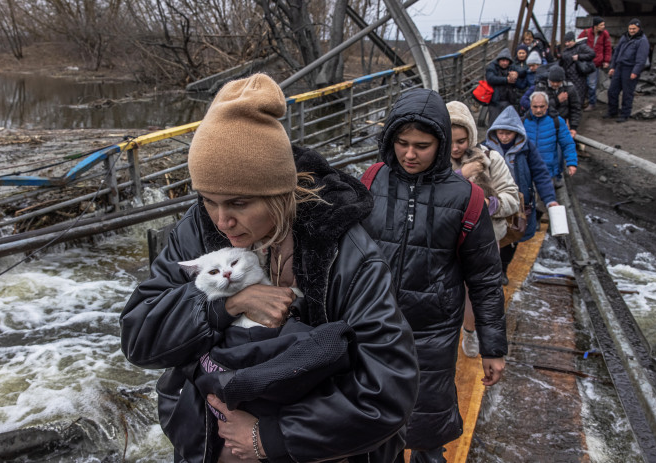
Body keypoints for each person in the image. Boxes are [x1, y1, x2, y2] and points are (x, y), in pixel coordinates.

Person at [120, 74, 419, 462]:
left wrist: (272, 437)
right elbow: (139, 338)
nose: (221, 221)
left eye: (240, 204)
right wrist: (224, 305)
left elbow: (389, 389)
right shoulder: (196, 231)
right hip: (208, 443)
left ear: (279, 193)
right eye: (209, 200)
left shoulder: (348, 254)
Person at [361, 88, 507, 462]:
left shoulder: (467, 197)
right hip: (372, 326)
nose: (409, 154)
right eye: (402, 142)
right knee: (373, 425)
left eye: (421, 146)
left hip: (433, 331)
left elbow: (486, 278)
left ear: (440, 144)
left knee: (427, 426)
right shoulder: (372, 181)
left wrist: (493, 348)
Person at [447, 100, 520, 358]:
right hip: (444, 241)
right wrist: (461, 175)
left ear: (472, 136)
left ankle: (469, 332)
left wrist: (488, 204)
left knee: (472, 291)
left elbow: (512, 197)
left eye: (462, 141)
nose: (455, 148)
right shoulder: (432, 161)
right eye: (450, 141)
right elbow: (431, 199)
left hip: (483, 240)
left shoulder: (491, 159)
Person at [484, 104, 559, 281]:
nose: (503, 137)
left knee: (512, 235)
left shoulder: (526, 149)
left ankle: (502, 269)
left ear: (516, 133)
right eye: (500, 133)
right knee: (491, 234)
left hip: (518, 200)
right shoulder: (485, 148)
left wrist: (549, 200)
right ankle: (488, 270)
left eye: (508, 133)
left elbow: (540, 173)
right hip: (492, 199)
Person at [523, 91, 578, 183]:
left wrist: (571, 163)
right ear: (530, 106)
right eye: (535, 107)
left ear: (547, 106)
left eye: (542, 106)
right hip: (528, 170)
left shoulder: (557, 121)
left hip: (548, 171)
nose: (538, 110)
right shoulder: (523, 122)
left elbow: (567, 143)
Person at [605, 18, 650, 123]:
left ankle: (625, 114)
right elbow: (616, 52)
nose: (632, 30)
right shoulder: (624, 37)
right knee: (612, 90)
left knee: (627, 93)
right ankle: (612, 111)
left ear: (639, 28)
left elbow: (641, 59)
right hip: (619, 67)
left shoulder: (642, 41)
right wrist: (612, 67)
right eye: (630, 28)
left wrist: (635, 71)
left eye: (634, 28)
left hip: (630, 69)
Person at [520, 66, 582, 137]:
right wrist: (557, 100)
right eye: (553, 81)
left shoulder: (569, 88)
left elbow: (575, 108)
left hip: (562, 121)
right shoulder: (541, 86)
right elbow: (539, 107)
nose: (555, 84)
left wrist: (573, 127)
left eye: (558, 82)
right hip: (544, 121)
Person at [578, 16, 612, 111]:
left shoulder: (605, 34)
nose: (603, 26)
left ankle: (592, 103)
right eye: (601, 25)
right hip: (585, 62)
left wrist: (606, 60)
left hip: (595, 63)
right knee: (582, 83)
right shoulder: (585, 33)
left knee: (592, 84)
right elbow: (578, 44)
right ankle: (582, 102)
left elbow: (608, 48)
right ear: (595, 26)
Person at [558, 31, 596, 105]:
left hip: (579, 77)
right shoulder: (565, 50)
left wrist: (579, 57)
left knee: (577, 98)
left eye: (569, 41)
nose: (567, 44)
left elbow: (592, 54)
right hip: (568, 77)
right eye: (566, 42)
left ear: (573, 40)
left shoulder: (581, 47)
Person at [486, 48, 520, 126]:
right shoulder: (492, 67)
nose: (505, 63)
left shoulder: (512, 67)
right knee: (493, 124)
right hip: (495, 101)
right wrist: (506, 80)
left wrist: (516, 74)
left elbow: (522, 71)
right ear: (499, 60)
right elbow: (490, 79)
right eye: (503, 61)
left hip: (508, 101)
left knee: (507, 124)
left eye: (506, 61)